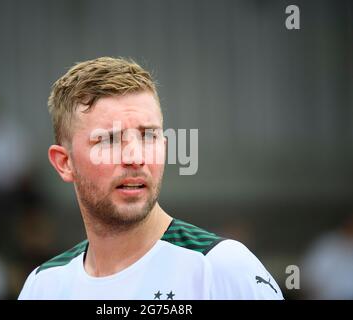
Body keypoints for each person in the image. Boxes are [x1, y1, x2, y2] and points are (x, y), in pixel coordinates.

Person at [18, 57, 283, 300]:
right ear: (65, 163)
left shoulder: (220, 269)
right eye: (109, 140)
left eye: (148, 136)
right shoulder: (43, 287)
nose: (135, 157)